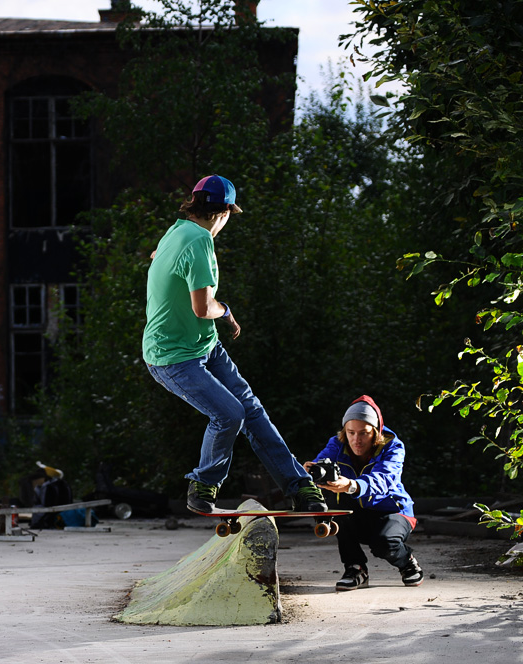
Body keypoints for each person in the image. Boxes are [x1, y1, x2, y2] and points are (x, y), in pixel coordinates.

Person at [142, 174, 326, 515]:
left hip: (203, 347)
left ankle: (299, 485)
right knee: (230, 414)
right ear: (224, 212)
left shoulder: (176, 231)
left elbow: (157, 256)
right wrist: (226, 311)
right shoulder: (199, 241)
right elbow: (203, 308)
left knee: (252, 411)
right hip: (172, 358)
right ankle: (204, 481)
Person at [305, 395, 423, 590]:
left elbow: (384, 480)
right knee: (337, 508)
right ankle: (355, 568)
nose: (356, 440)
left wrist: (352, 485)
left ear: (376, 431)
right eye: (350, 432)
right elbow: (321, 463)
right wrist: (310, 472)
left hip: (393, 510)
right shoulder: (336, 443)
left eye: (364, 433)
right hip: (358, 515)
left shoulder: (393, 446)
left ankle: (407, 561)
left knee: (384, 545)